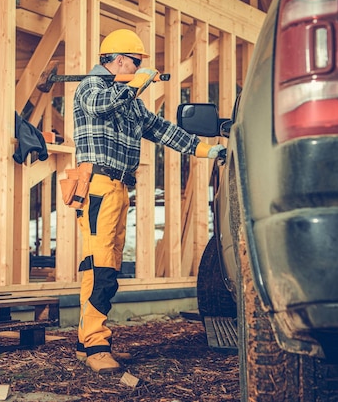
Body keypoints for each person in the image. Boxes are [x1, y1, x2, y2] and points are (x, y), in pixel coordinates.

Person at [73, 28, 225, 374]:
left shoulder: (130, 102)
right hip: (97, 185)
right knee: (101, 270)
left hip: (117, 188)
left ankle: (86, 342)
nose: (140, 66)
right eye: (137, 61)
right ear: (122, 60)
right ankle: (97, 345)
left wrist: (207, 149)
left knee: (101, 266)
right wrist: (138, 82)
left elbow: (164, 130)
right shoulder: (92, 88)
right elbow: (101, 106)